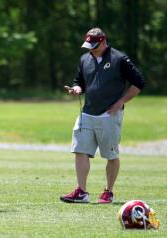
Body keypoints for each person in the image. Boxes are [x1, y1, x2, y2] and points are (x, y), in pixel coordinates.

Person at [60, 27, 145, 204]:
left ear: (103, 41)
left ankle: (109, 191)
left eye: (94, 45)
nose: (90, 49)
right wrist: (77, 89)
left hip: (109, 115)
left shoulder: (120, 59)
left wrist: (120, 102)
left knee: (111, 155)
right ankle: (81, 191)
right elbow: (80, 81)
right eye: (88, 45)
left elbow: (139, 83)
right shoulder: (84, 59)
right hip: (87, 113)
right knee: (80, 150)